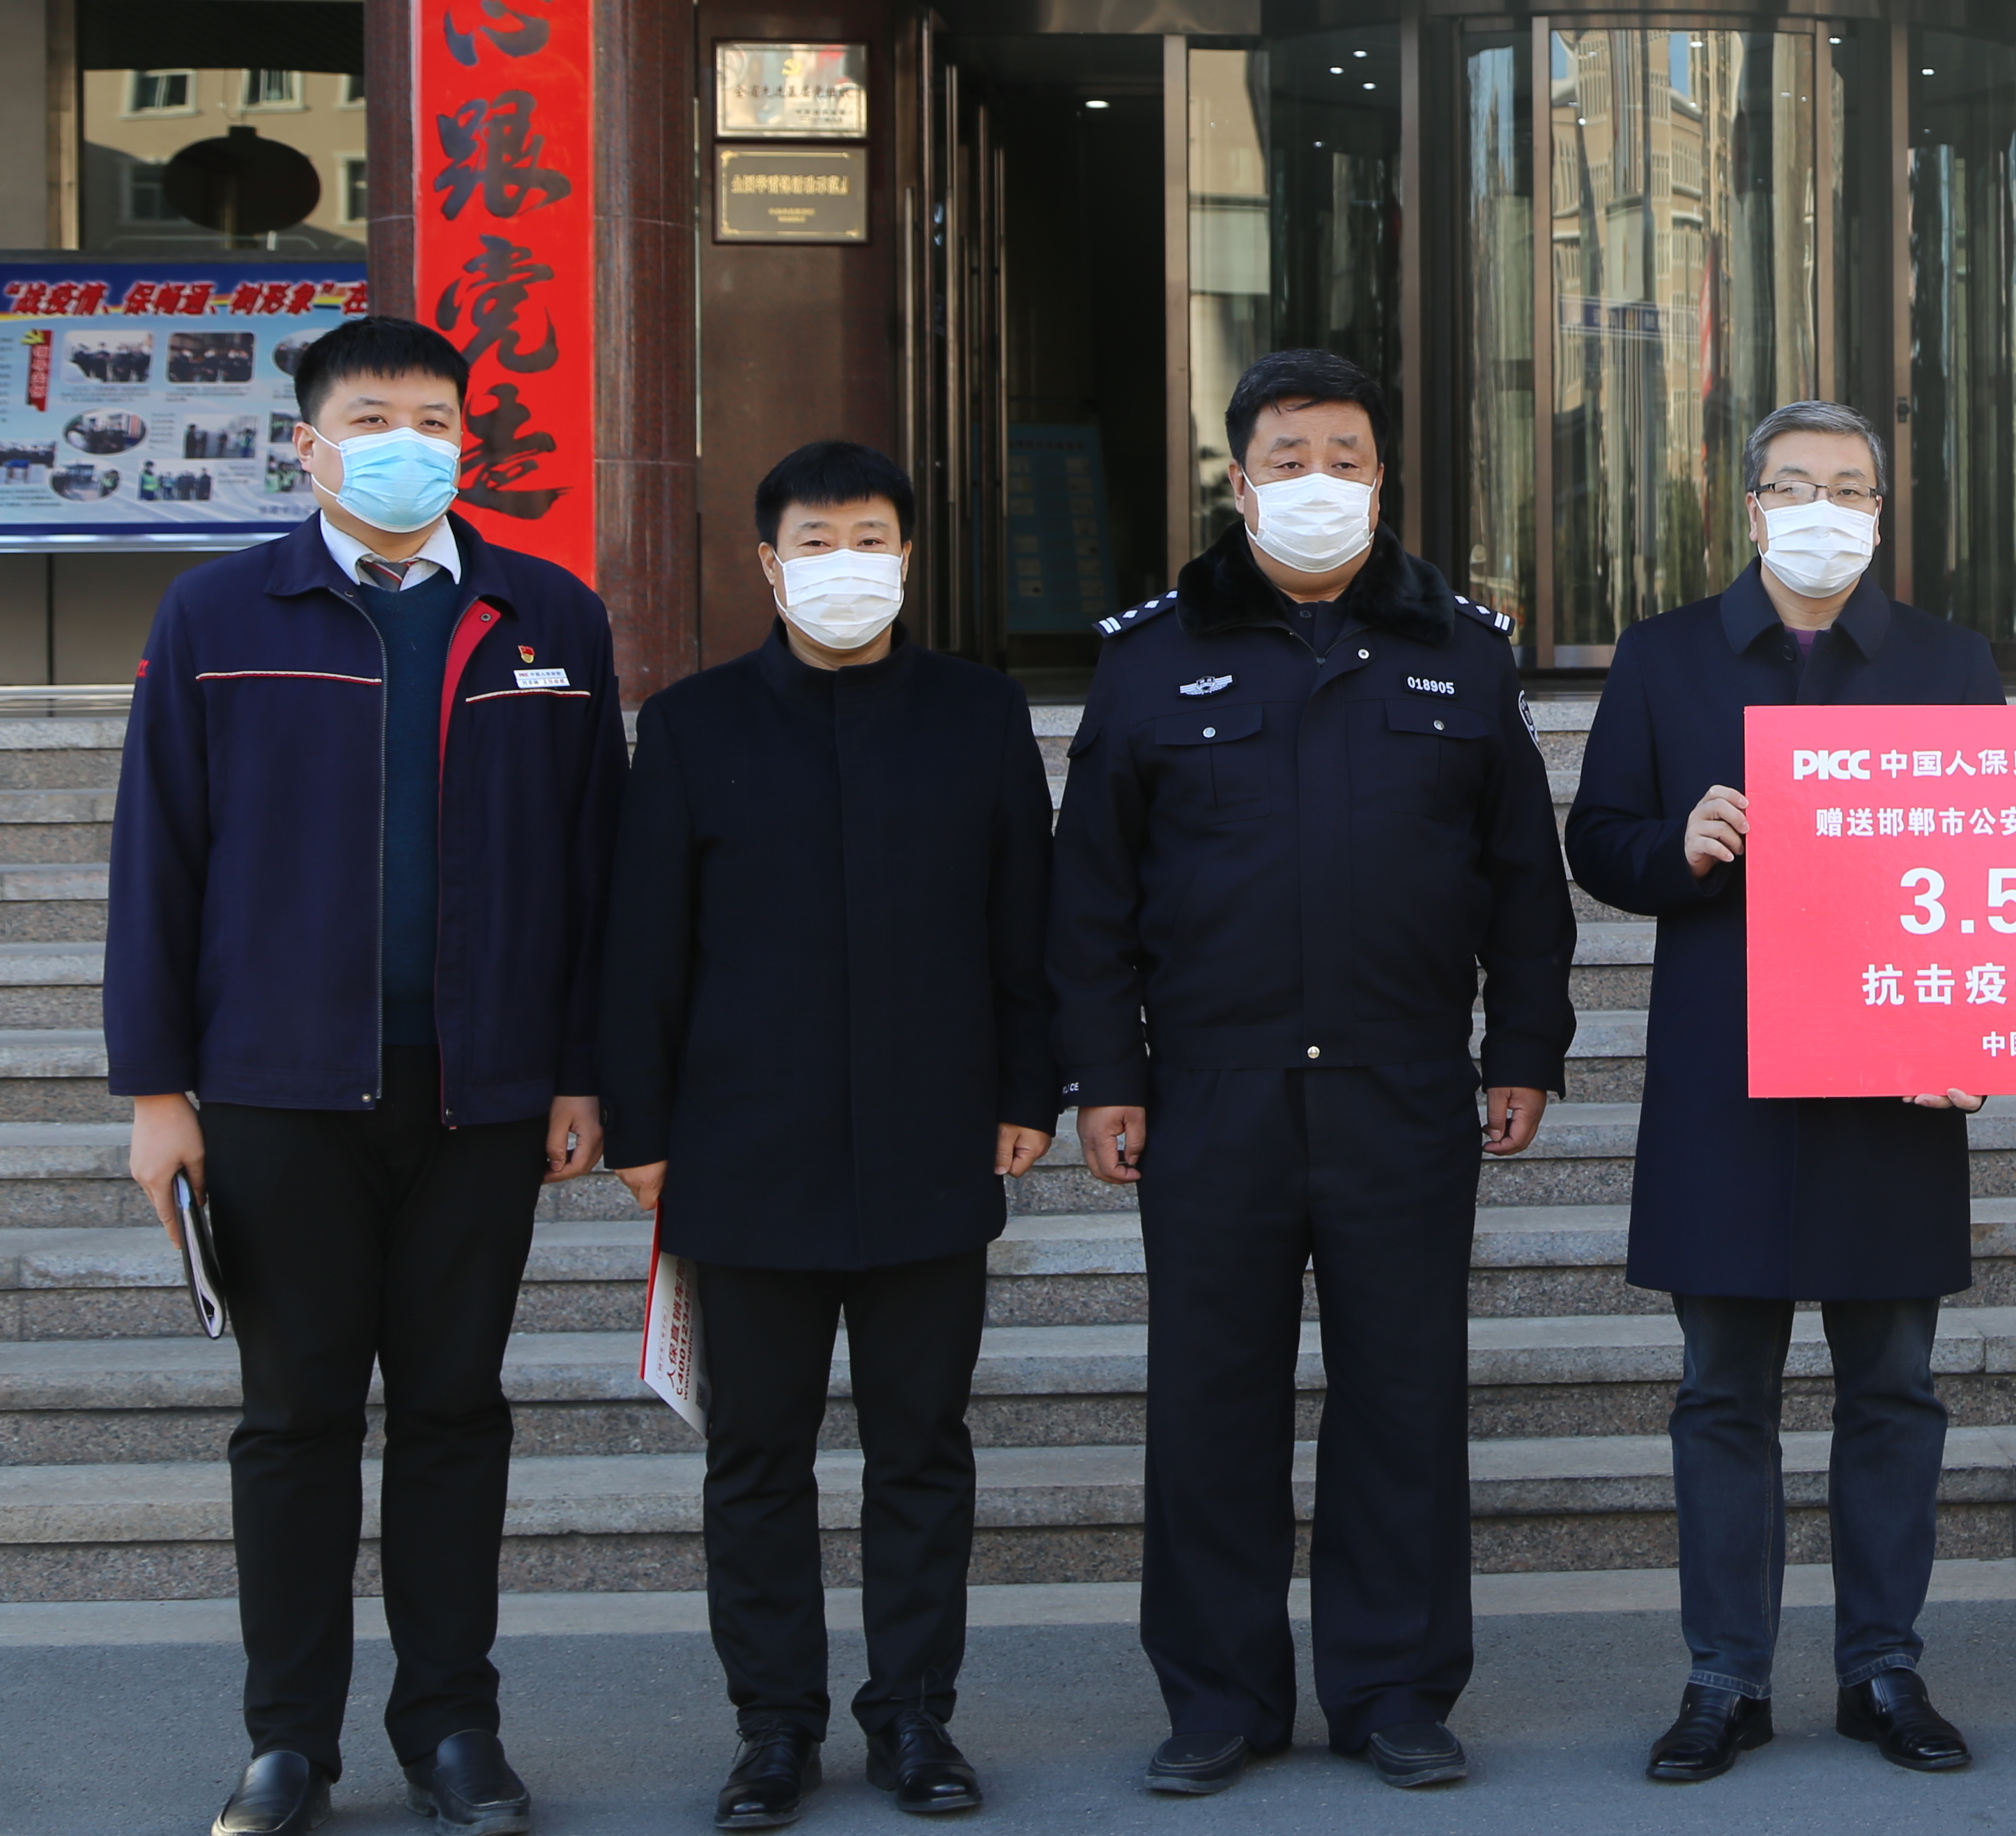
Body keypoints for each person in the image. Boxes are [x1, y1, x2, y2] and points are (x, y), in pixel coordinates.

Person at [107, 315, 622, 1836]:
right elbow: (159, 865)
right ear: (308, 445)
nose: (412, 439)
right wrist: (158, 1093)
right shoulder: (216, 614)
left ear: (469, 440)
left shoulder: (550, 615)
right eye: (376, 415)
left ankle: (455, 1729)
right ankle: (289, 1745)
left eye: (438, 416)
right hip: (276, 1090)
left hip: (485, 1090)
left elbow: (597, 867)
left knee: (457, 1412)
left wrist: (583, 1073)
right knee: (297, 1415)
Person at [1049, 349, 1573, 1797]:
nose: (1317, 482)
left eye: (1345, 455)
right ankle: (1218, 1698)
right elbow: (1091, 894)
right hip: (1213, 1089)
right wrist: (1107, 1074)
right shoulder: (1152, 655)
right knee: (1210, 1404)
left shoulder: (1464, 649)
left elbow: (1522, 878)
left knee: (1404, 1401)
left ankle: (1396, 1691)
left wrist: (1524, 1046)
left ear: (1384, 474)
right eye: (1287, 458)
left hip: (1403, 1088)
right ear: (1236, 478)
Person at [601, 441, 1060, 1828]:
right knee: (757, 1457)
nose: (845, 562)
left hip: (933, 1144)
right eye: (817, 539)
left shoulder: (978, 716)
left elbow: (1022, 925)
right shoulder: (692, 728)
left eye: (871, 537)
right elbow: (642, 953)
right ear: (768, 562)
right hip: (745, 1150)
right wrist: (641, 1126)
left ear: (907, 558)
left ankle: (915, 1717)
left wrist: (1029, 1091)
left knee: (922, 1447)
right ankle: (774, 1727)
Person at [1564, 399, 1998, 1786]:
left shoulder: (1947, 663)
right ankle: (1723, 1678)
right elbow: (1597, 843)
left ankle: (1883, 1667)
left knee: (1893, 1387)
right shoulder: (1666, 657)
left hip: (1894, 1083)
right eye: (1796, 484)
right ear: (1750, 505)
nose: (1824, 508)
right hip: (1726, 1083)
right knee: (1721, 1391)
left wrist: (1983, 1028)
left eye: (1850, 486)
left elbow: (1997, 875)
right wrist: (1676, 843)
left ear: (1882, 508)